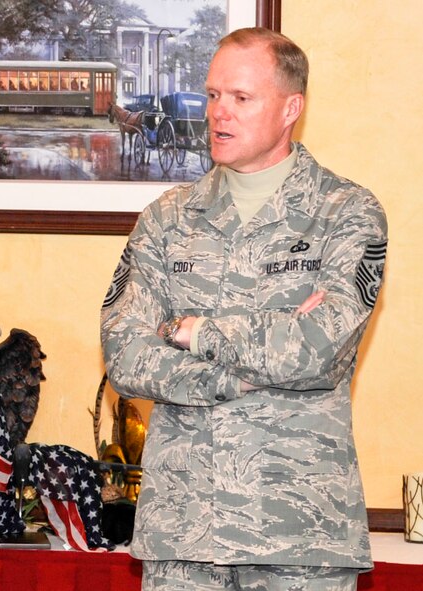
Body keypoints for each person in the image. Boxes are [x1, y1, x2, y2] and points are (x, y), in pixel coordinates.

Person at [101, 28, 387, 590]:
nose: (217, 113)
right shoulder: (167, 218)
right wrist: (241, 374)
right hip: (182, 533)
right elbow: (125, 356)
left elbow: (317, 354)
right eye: (212, 96)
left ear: (291, 108)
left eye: (241, 98)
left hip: (298, 531)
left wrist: (196, 331)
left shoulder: (345, 214)